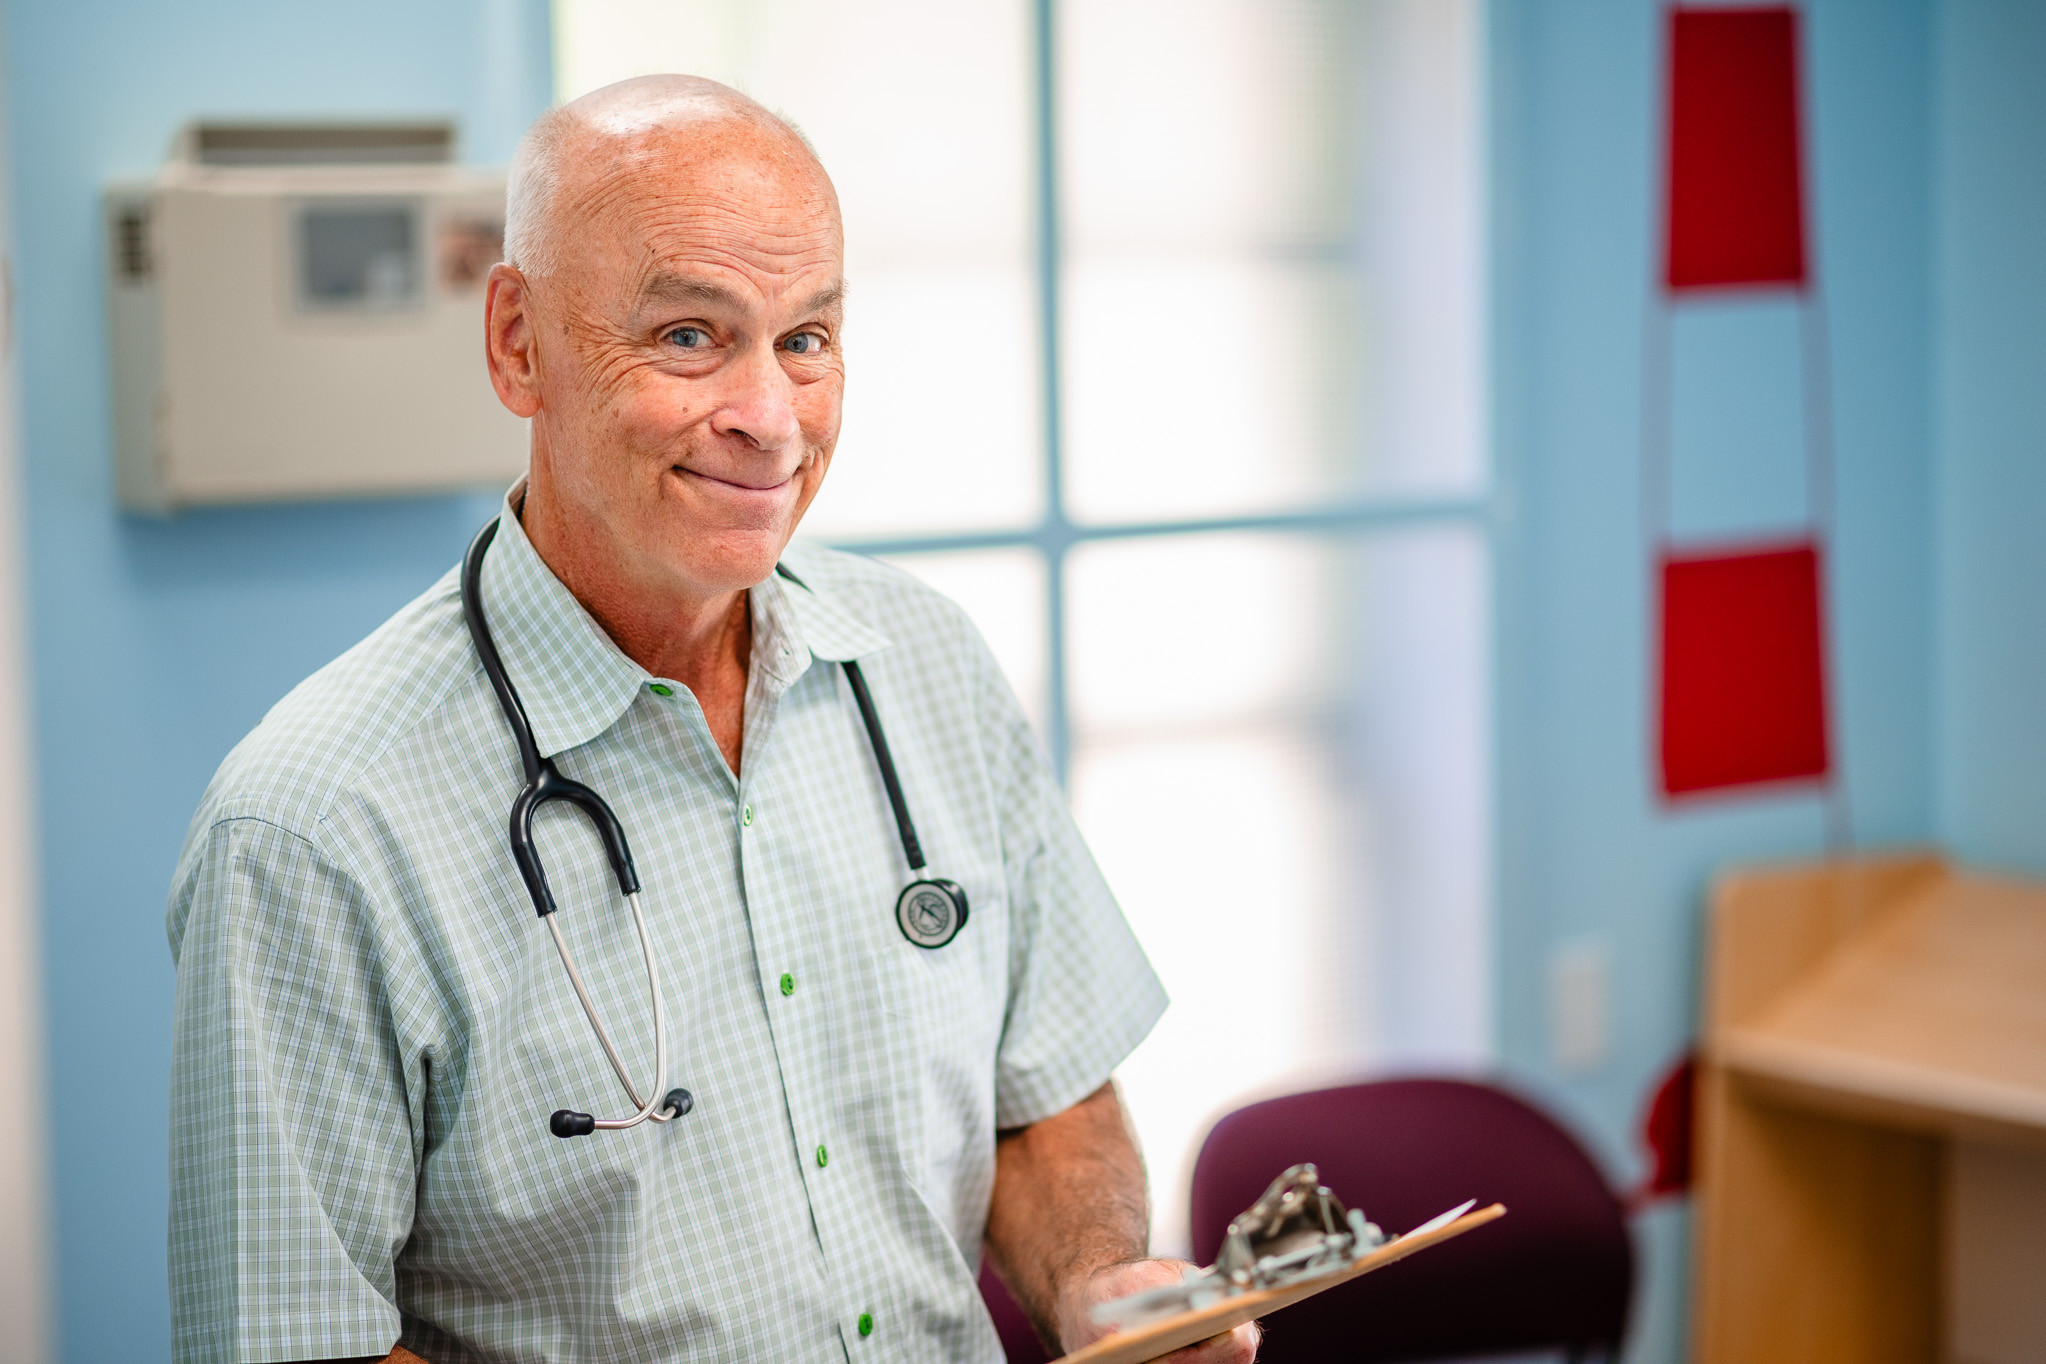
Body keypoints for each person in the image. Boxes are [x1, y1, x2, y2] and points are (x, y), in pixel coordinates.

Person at [166, 75, 1259, 1364]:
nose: (772, 418)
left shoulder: (926, 666)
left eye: (807, 336)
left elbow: (1046, 1095)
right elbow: (303, 1346)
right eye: (690, 335)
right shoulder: (314, 828)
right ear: (518, 343)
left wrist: (1096, 1286)